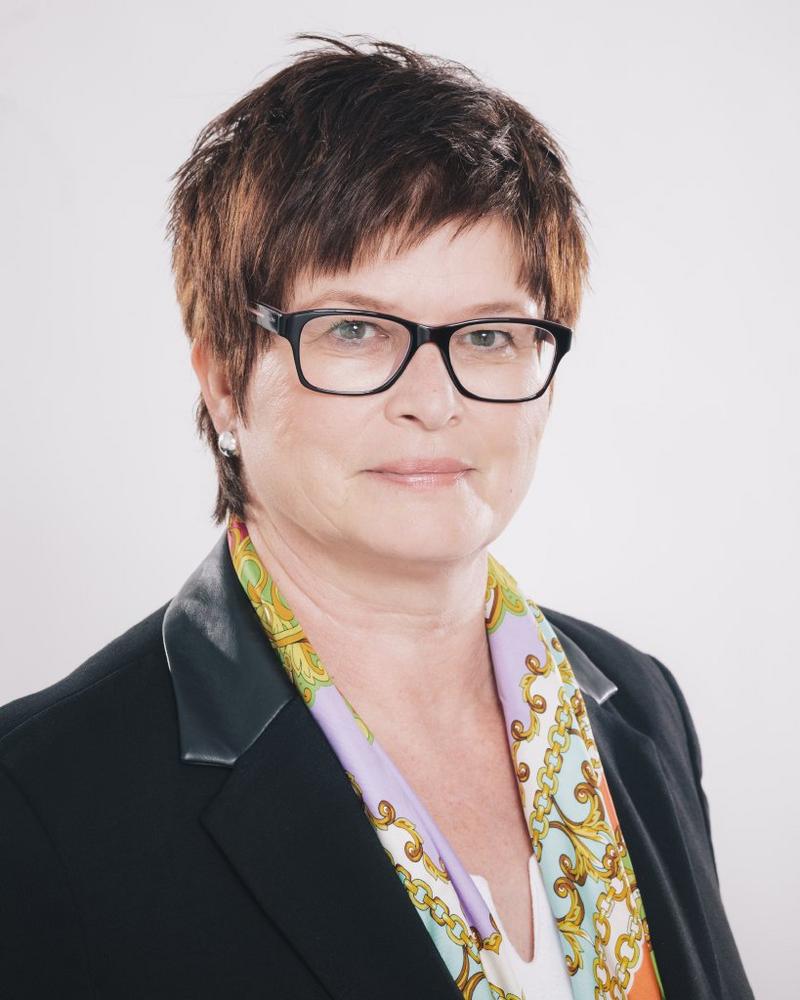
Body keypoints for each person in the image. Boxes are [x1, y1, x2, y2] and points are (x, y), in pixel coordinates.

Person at [0, 32, 753, 1000]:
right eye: (354, 329)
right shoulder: (41, 799)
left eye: (489, 336)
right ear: (224, 379)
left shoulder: (637, 704)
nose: (433, 401)